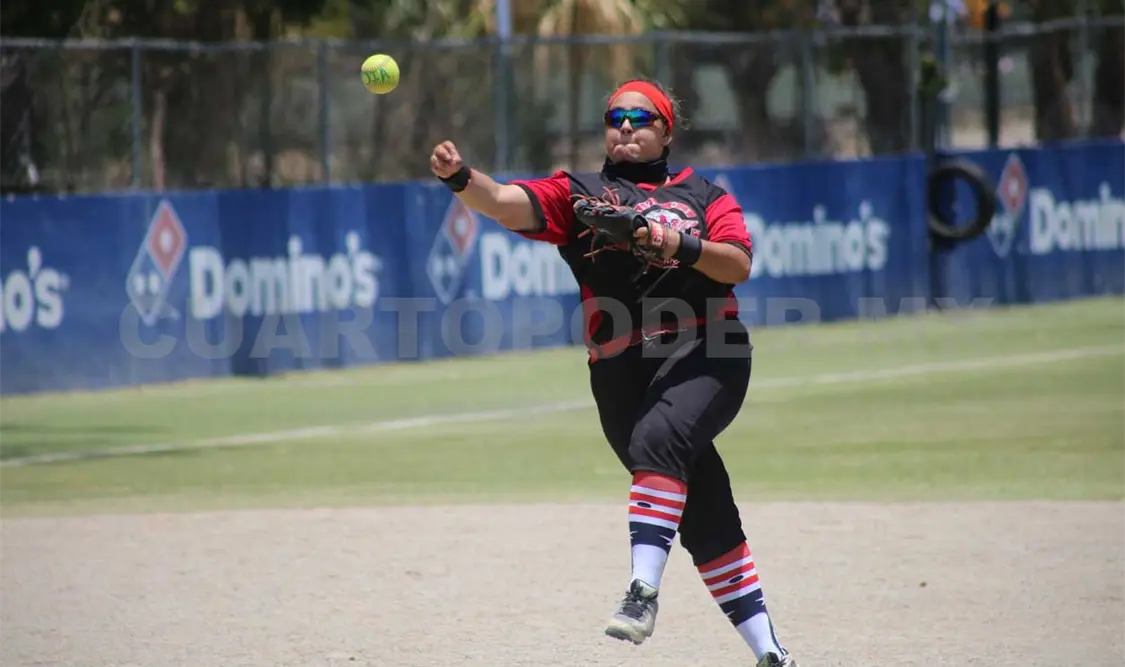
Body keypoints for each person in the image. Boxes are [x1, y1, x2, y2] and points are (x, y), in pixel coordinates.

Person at [428, 78, 799, 667]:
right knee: (702, 515)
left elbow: (738, 264)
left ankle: (641, 592)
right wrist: (459, 178)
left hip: (707, 346)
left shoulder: (704, 195)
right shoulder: (579, 194)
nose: (626, 126)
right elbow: (501, 203)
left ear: (666, 130)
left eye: (641, 117)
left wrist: (669, 240)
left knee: (658, 441)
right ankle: (771, 654)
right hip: (619, 372)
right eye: (615, 116)